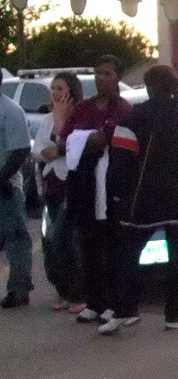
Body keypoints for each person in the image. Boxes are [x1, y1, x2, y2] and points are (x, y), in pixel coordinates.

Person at [104, 65, 178, 334]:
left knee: (129, 254)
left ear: (147, 86)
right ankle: (175, 315)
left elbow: (119, 163)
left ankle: (124, 311)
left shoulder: (132, 119)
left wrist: (116, 197)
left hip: (142, 201)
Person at [60, 54, 133, 324]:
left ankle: (115, 303)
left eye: (107, 74)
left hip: (112, 183)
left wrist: (98, 139)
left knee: (112, 246)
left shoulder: (123, 109)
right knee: (88, 244)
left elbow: (113, 139)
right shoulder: (83, 109)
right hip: (85, 183)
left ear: (118, 78)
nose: (101, 78)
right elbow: (67, 137)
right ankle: (93, 302)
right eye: (98, 73)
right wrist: (84, 139)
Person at [32, 71, 86, 312]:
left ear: (71, 92)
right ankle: (64, 291)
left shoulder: (79, 116)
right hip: (51, 183)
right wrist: (54, 149)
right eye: (53, 88)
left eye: (60, 88)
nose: (55, 93)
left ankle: (78, 294)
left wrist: (57, 144)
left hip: (71, 184)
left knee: (64, 238)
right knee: (51, 241)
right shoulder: (46, 120)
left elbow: (70, 148)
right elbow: (39, 150)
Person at [0, 68, 34, 309]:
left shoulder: (10, 111)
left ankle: (19, 290)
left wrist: (2, 180)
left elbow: (21, 149)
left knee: (16, 239)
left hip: (6, 187)